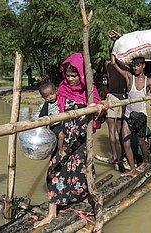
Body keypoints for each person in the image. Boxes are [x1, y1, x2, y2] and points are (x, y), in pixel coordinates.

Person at [33, 52, 106, 228]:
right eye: (68, 75)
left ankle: (88, 198)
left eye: (74, 75)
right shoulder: (62, 89)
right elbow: (48, 110)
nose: (71, 79)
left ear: (81, 74)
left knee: (83, 172)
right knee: (54, 172)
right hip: (64, 140)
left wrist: (100, 107)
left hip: (81, 141)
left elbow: (100, 113)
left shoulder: (90, 91)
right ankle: (51, 214)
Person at [111, 54, 151, 177]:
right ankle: (132, 169)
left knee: (141, 142)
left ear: (143, 66)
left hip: (141, 116)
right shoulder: (129, 77)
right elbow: (114, 64)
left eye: (138, 66)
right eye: (133, 66)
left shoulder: (149, 80)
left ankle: (145, 161)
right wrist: (114, 53)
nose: (135, 68)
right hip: (128, 115)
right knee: (125, 143)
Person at [104, 59, 127, 164]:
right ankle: (122, 154)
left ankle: (114, 156)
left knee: (112, 129)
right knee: (120, 128)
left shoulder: (108, 64)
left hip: (113, 96)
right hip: (122, 96)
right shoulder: (126, 66)